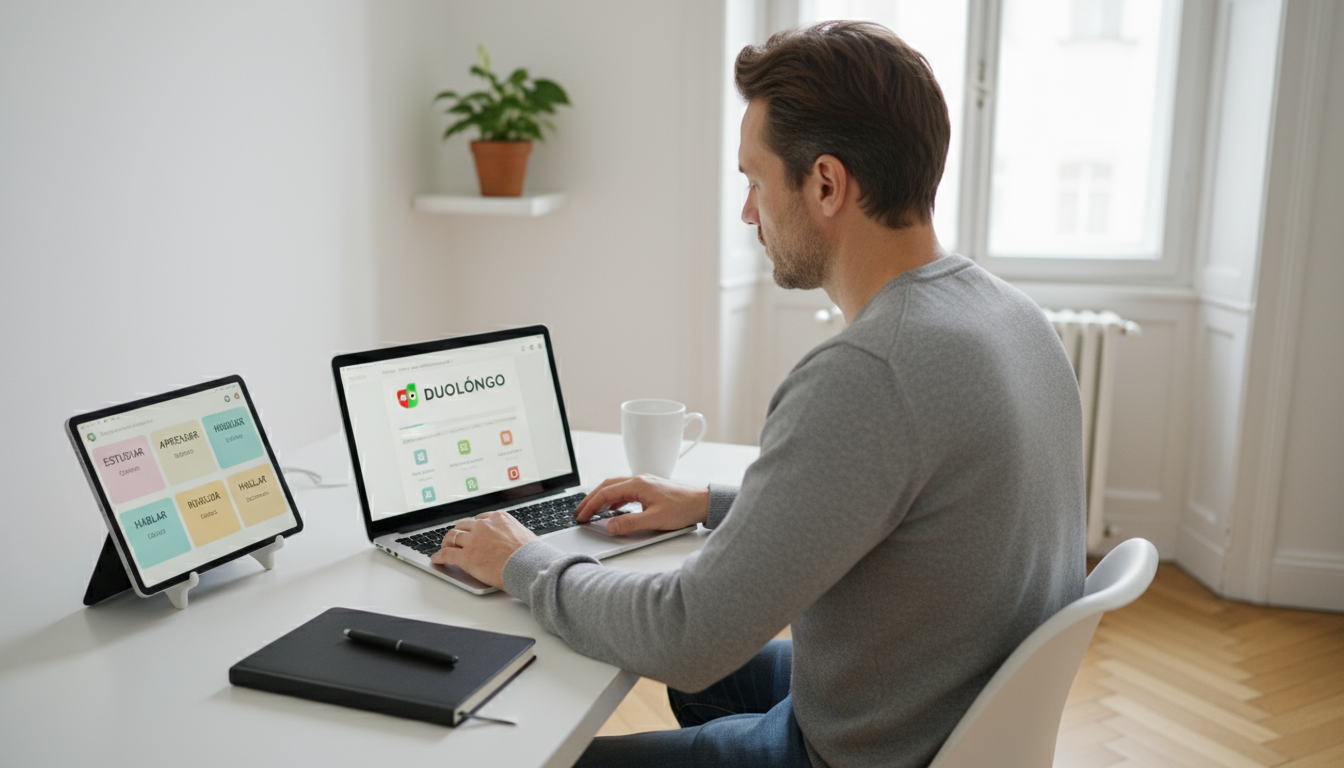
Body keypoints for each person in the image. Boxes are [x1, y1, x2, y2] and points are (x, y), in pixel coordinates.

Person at [432, 21, 1085, 768]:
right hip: (942, 699)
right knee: (705, 690)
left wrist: (522, 562)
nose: (748, 213)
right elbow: (905, 506)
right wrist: (708, 503)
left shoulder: (870, 370)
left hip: (869, 748)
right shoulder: (1010, 315)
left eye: (754, 181)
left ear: (827, 184)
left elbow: (687, 636)